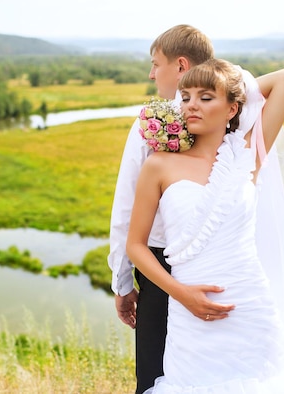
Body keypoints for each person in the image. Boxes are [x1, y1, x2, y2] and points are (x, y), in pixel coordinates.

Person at [126, 58, 284, 393]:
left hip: (251, 309)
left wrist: (227, 84)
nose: (190, 106)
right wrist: (183, 294)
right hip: (190, 316)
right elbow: (136, 246)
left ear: (233, 109)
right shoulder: (159, 165)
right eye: (184, 97)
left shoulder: (247, 155)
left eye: (205, 97)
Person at [108, 24, 233, 394]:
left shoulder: (150, 123)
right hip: (223, 269)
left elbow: (126, 207)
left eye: (155, 63)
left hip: (161, 266)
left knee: (155, 374)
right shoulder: (233, 116)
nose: (151, 73)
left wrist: (122, 281)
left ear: (180, 65)